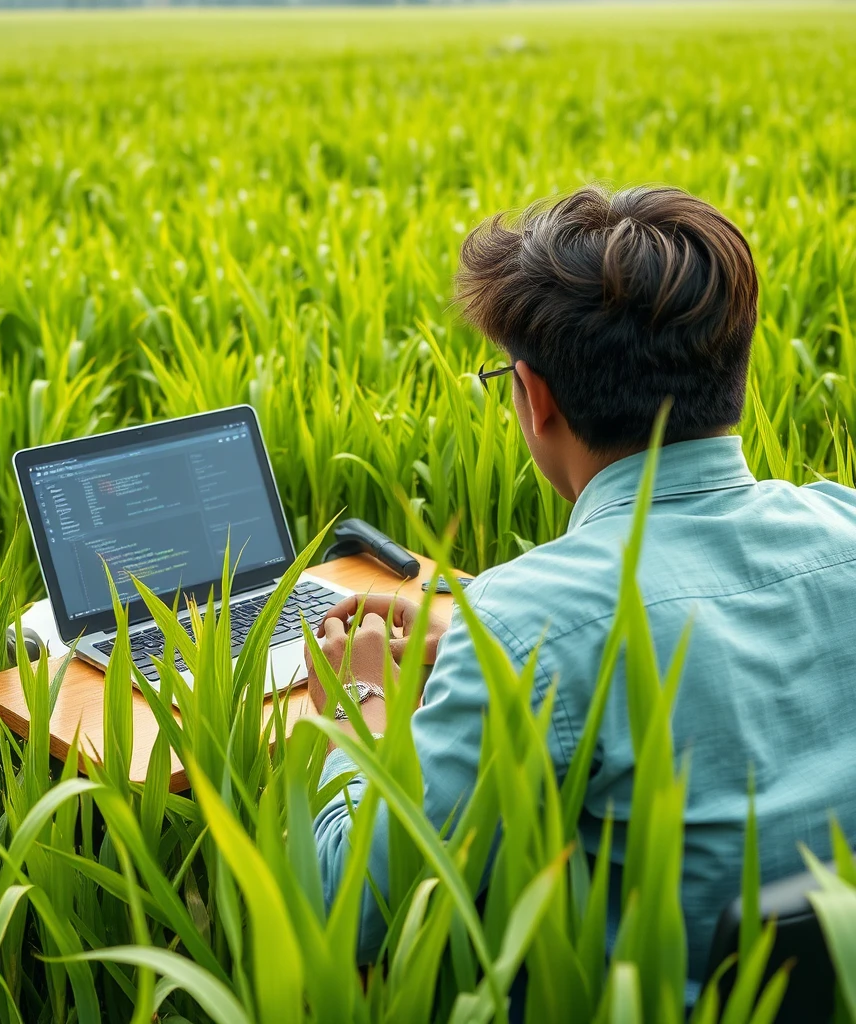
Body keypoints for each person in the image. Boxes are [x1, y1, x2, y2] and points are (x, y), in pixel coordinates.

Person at [307, 184, 856, 995]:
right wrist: (476, 648)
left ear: (534, 399)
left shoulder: (530, 624)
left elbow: (350, 907)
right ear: (736, 361)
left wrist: (359, 706)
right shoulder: (843, 524)